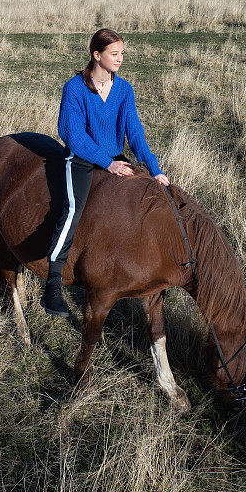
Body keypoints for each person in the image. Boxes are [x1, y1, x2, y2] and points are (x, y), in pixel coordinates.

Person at [41, 28, 171, 317]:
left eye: (122, 53)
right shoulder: (74, 88)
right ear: (96, 55)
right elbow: (71, 134)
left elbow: (135, 132)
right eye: (115, 54)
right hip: (82, 159)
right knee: (72, 209)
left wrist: (154, 169)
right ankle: (53, 282)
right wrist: (106, 162)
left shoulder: (124, 89)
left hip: (114, 157)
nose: (120, 58)